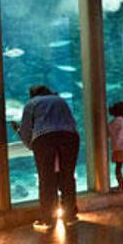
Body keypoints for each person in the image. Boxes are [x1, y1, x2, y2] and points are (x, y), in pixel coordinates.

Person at [15, 85, 80, 231]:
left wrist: (32, 146)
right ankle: (70, 216)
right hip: (70, 136)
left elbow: (26, 129)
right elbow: (72, 121)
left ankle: (47, 219)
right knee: (67, 176)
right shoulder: (60, 100)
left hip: (44, 138)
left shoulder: (32, 103)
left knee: (46, 178)